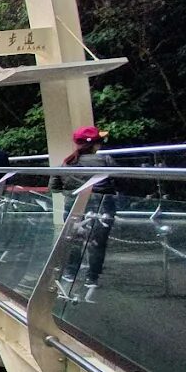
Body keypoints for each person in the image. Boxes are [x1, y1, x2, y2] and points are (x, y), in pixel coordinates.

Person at [52, 125, 117, 303]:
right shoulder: (106, 160)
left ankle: (70, 275)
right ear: (96, 143)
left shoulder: (67, 163)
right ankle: (92, 279)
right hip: (102, 208)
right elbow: (118, 181)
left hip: (74, 209)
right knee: (97, 244)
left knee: (74, 242)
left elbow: (54, 187)